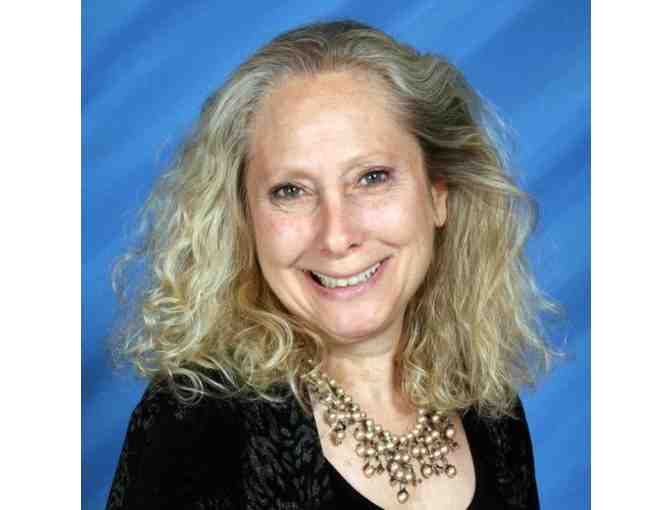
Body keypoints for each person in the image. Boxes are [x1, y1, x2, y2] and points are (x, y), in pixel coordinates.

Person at [106, 20, 555, 510]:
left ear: (437, 194)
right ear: (244, 219)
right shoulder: (192, 424)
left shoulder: (490, 411)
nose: (337, 236)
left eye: (372, 178)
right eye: (291, 191)